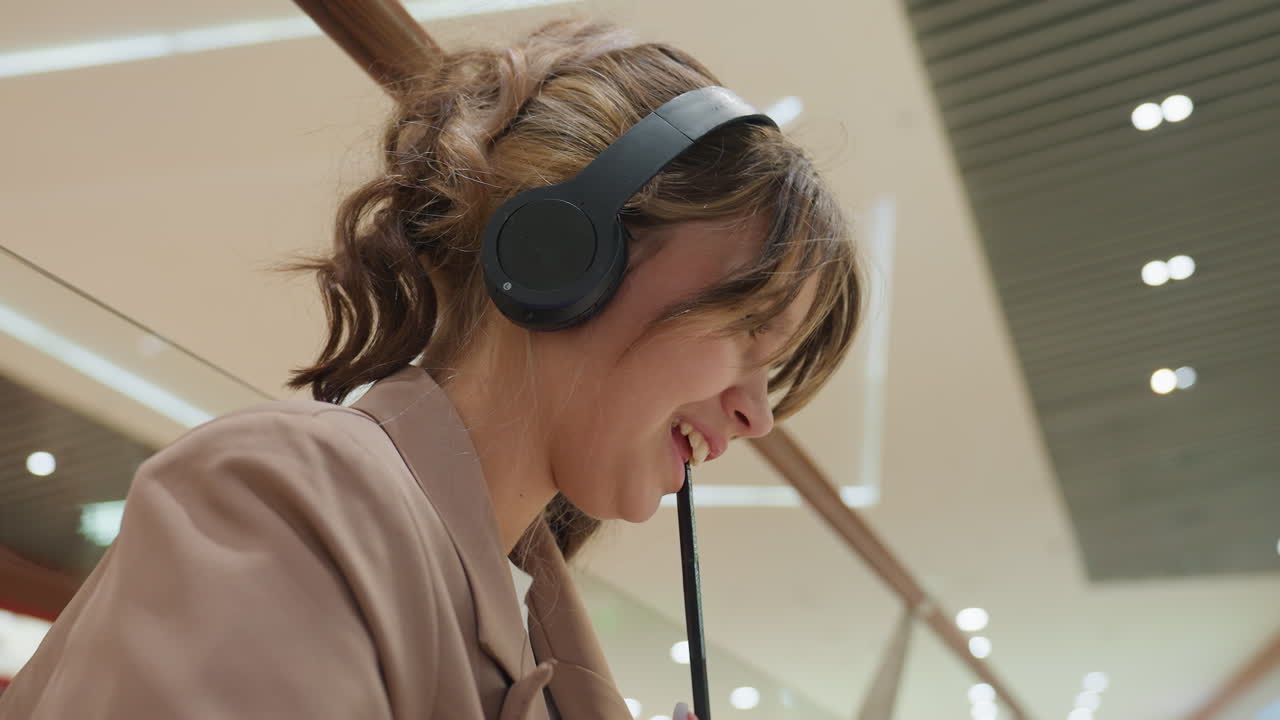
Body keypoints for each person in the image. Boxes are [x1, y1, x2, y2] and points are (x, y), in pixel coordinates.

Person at [0, 18, 861, 720]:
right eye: (750, 329)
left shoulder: (535, 638)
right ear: (566, 257)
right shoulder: (287, 498)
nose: (758, 414)